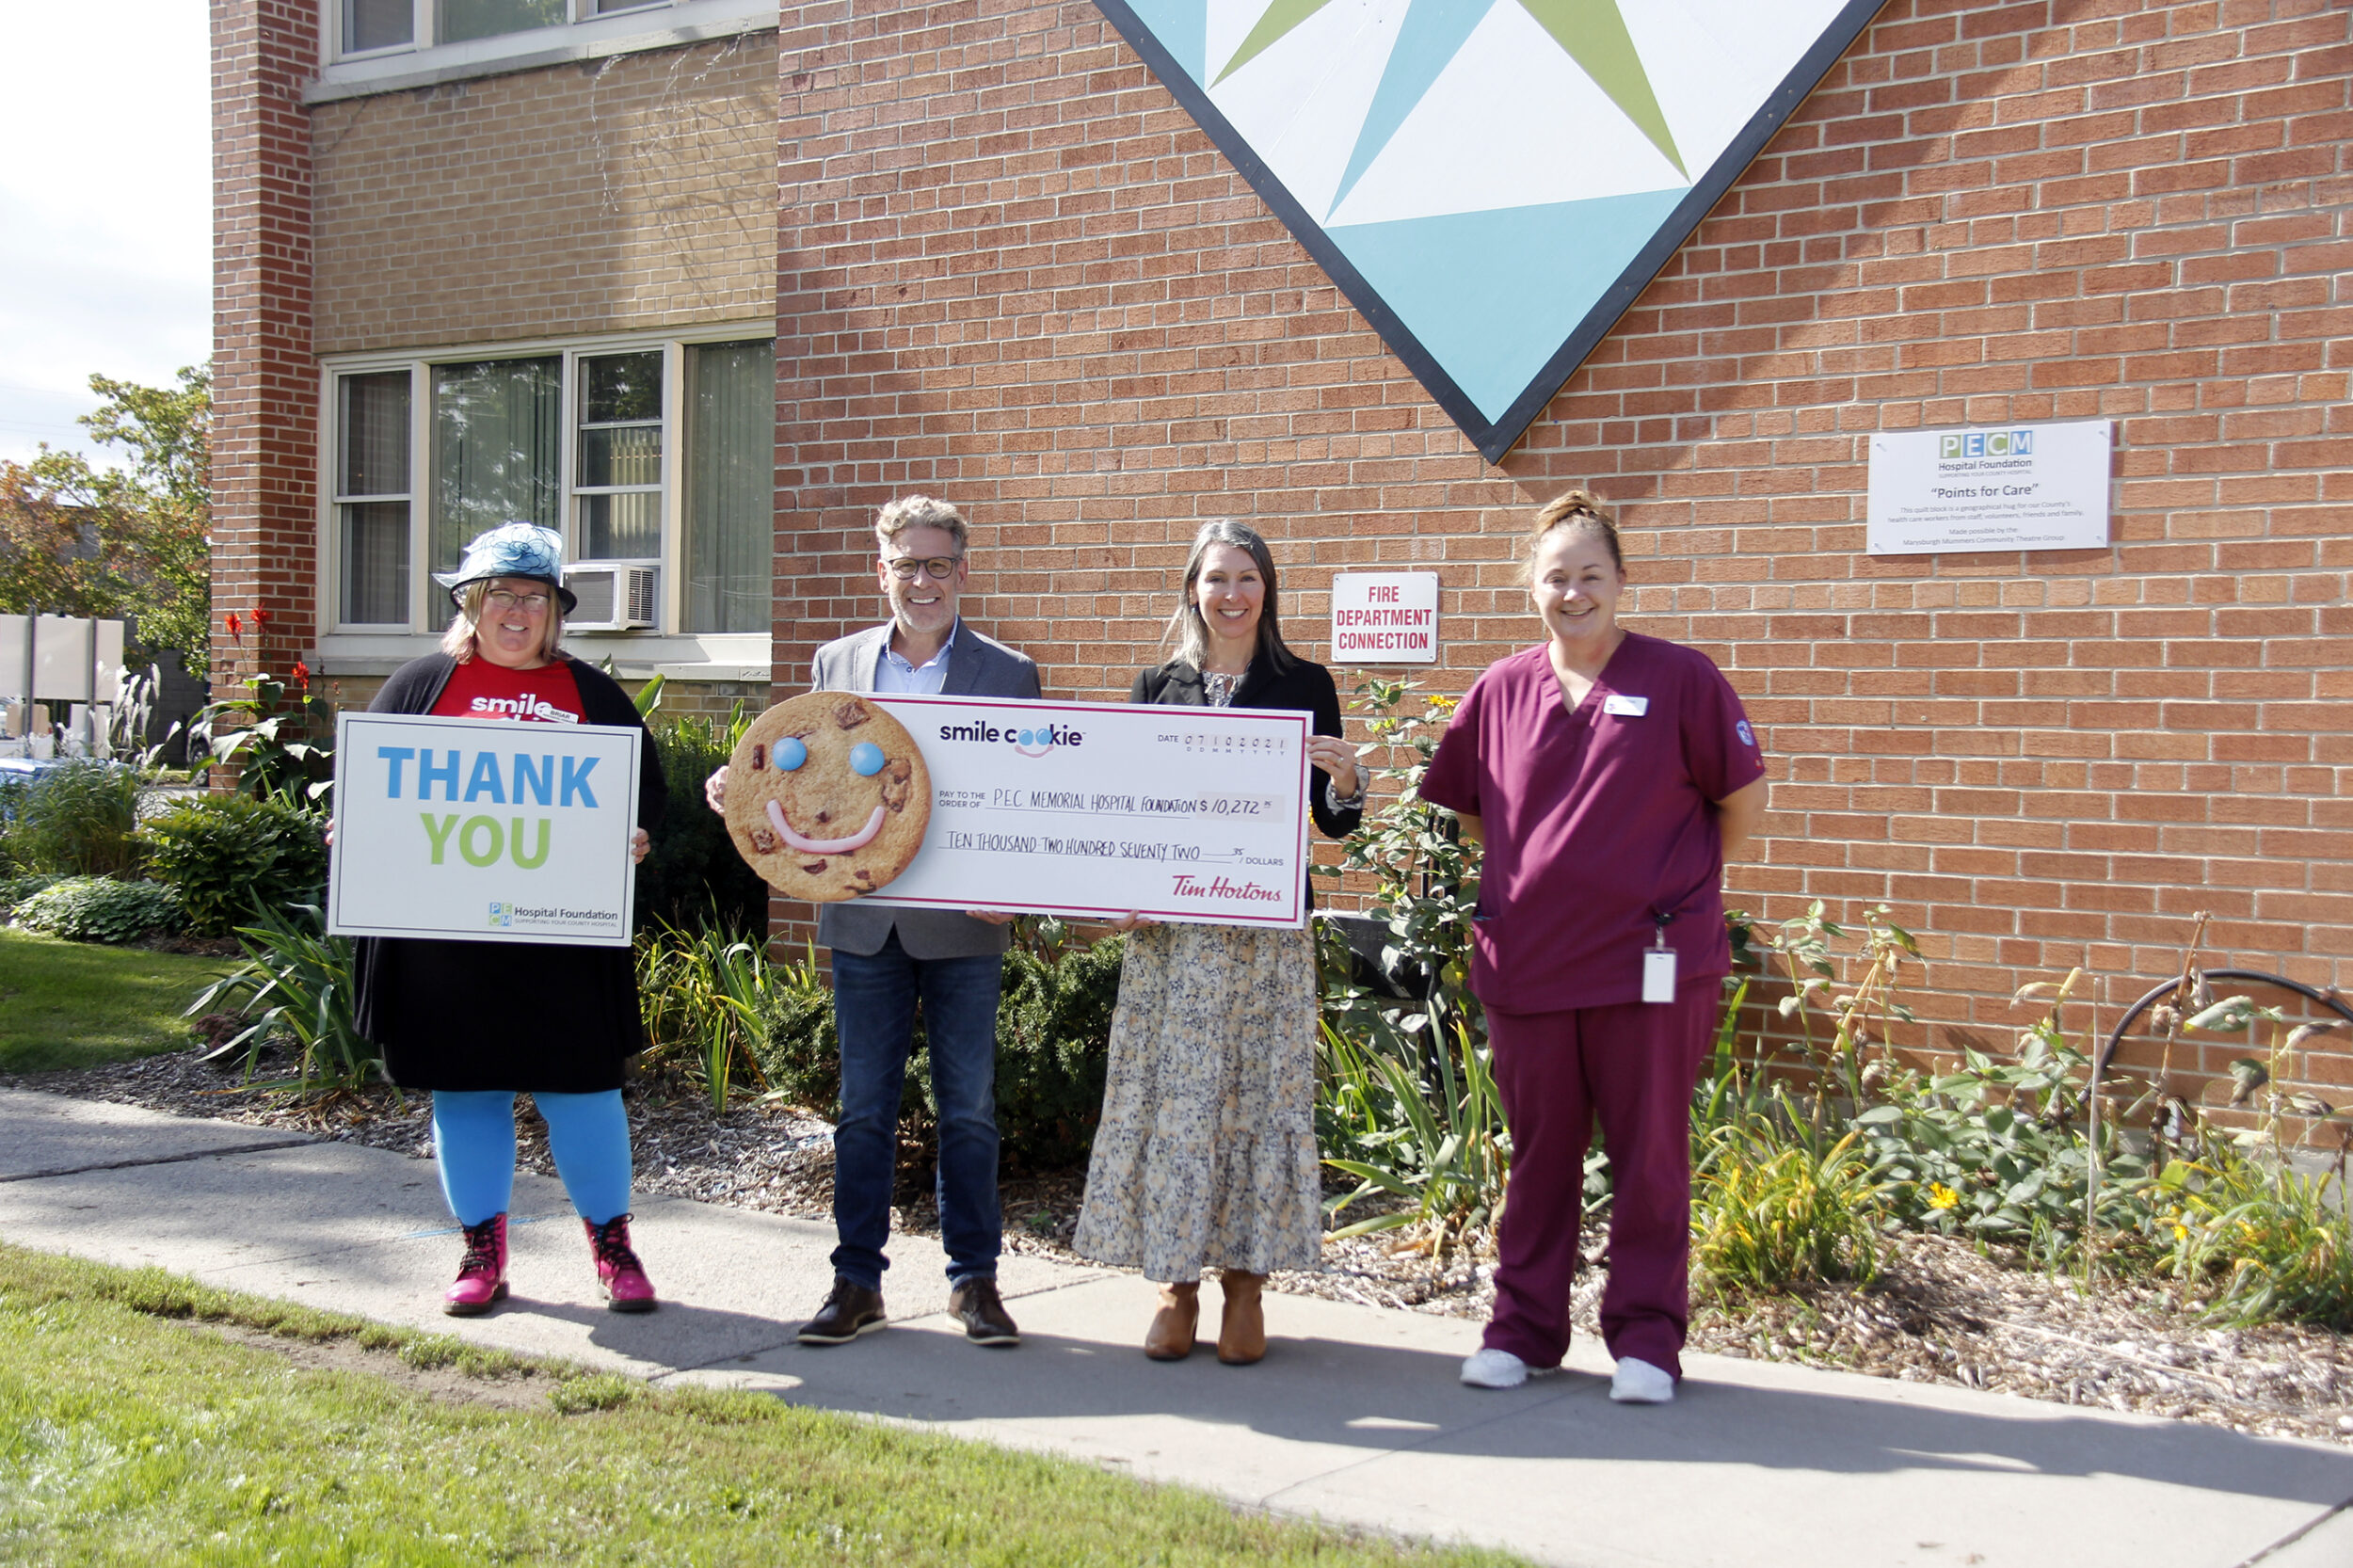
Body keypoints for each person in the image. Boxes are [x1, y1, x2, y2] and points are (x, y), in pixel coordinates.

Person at [1417, 489, 1767, 1403]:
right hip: (1529, 964)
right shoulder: (1498, 690)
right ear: (1530, 586)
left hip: (1649, 967)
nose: (1572, 592)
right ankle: (1522, 1330)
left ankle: (1646, 1340)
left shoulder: (1683, 678)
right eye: (1555, 577)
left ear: (1621, 582)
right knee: (1539, 1154)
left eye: (1590, 575)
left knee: (1649, 1153)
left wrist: (1665, 888)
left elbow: (1740, 806)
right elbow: (1464, 816)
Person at [705, 495, 1040, 1348]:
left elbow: (1030, 801)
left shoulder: (1009, 674)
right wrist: (736, 788)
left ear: (963, 573)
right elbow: (812, 785)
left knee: (968, 1109)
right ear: (879, 572)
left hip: (963, 925)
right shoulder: (838, 662)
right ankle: (856, 1283)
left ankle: (975, 1283)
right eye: (906, 566)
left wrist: (1018, 885)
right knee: (862, 1110)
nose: (921, 582)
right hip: (863, 926)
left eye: (937, 565)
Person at [349, 522, 669, 1318]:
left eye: (535, 597)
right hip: (443, 942)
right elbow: (372, 791)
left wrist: (634, 835)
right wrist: (355, 827)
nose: (518, 612)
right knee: (465, 1093)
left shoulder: (592, 694)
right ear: (470, 602)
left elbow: (645, 797)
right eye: (501, 595)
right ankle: (482, 1253)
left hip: (557, 938)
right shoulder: (420, 685)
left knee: (585, 1090)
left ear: (556, 611)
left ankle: (612, 1245)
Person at [1071, 519, 1365, 1365]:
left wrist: (1345, 780)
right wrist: (1116, 894)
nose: (1231, 594)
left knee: (1256, 1097)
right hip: (1173, 940)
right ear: (1191, 590)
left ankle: (1246, 1285)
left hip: (1264, 935)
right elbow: (1129, 809)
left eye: (1246, 578)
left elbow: (1329, 820)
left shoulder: (1304, 681)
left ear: (1266, 590)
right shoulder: (1156, 685)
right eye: (1215, 578)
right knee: (1179, 1102)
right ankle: (1176, 1286)